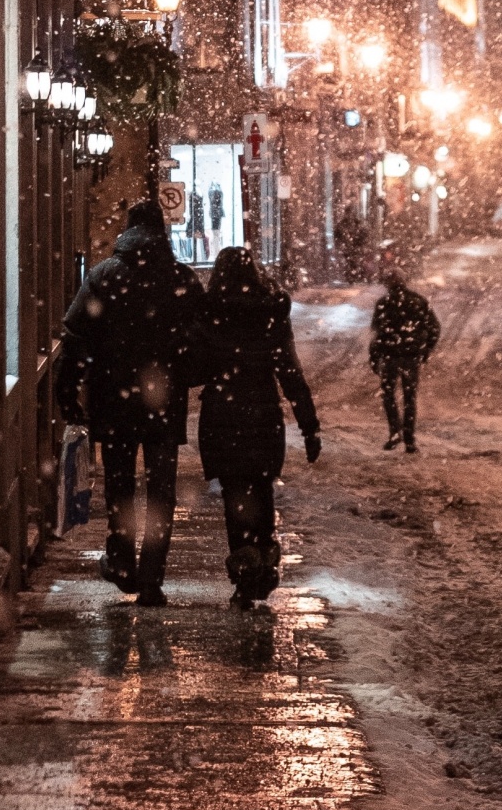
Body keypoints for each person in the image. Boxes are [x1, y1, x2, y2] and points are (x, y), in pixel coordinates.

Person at [57, 198, 210, 607]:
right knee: (161, 491)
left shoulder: (105, 276)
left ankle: (122, 561)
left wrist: (68, 389)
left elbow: (75, 334)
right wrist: (186, 377)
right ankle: (151, 578)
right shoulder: (181, 278)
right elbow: (202, 339)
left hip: (114, 399)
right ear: (162, 233)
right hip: (163, 402)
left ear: (127, 231)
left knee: (120, 484)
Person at [197, 245, 321, 609]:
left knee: (235, 496)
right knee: (262, 492)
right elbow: (290, 373)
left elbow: (194, 366)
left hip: (224, 415)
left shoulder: (211, 313)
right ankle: (264, 564)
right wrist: (309, 427)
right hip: (264, 415)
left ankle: (246, 572)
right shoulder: (270, 313)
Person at [368, 269, 440, 453]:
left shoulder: (384, 303)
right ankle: (409, 438)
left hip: (390, 354)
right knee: (409, 397)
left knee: (389, 394)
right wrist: (425, 349)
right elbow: (434, 327)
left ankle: (394, 431)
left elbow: (378, 334)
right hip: (410, 355)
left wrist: (375, 356)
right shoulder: (418, 301)